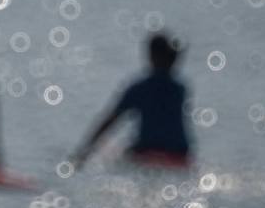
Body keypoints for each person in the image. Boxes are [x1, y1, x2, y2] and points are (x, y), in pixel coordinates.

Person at [73, 32, 193, 168]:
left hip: (147, 153)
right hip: (179, 155)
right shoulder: (179, 89)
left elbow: (110, 121)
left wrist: (84, 152)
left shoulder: (140, 88)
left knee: (116, 157)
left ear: (151, 56)